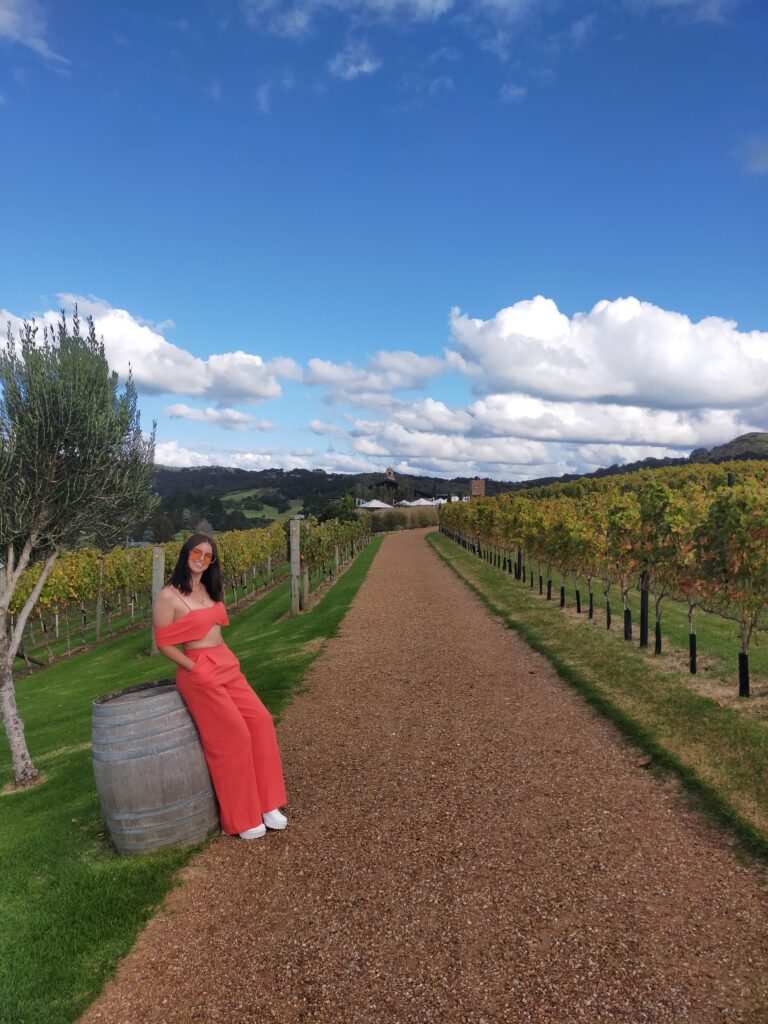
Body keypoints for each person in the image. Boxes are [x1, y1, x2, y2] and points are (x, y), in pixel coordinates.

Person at [152, 533, 287, 840]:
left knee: (261, 722)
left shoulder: (209, 589)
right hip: (198, 670)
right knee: (233, 736)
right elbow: (164, 644)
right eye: (196, 552)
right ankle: (242, 816)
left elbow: (216, 630)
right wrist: (195, 667)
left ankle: (267, 804)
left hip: (226, 664)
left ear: (212, 561)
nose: (201, 558)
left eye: (208, 555)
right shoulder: (169, 596)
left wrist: (224, 658)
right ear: (186, 553)